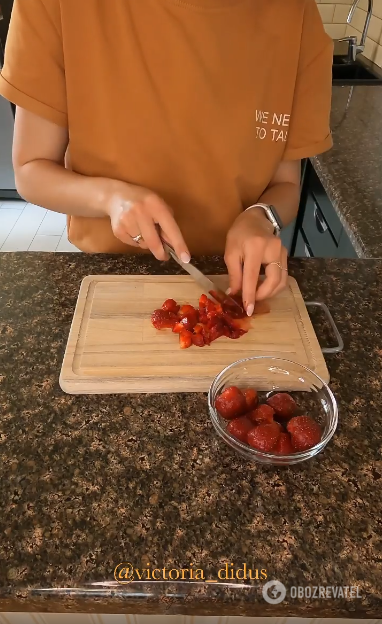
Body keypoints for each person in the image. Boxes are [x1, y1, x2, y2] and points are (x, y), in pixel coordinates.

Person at [0, 0, 332, 315]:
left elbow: (286, 184)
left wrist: (261, 218)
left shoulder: (295, 14)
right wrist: (111, 199)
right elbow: (32, 170)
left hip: (234, 277)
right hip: (109, 278)